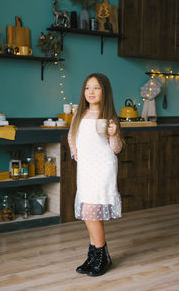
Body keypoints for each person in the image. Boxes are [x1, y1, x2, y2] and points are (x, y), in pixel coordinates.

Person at [68, 73, 123, 277]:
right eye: (87, 88)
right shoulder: (79, 115)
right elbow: (71, 136)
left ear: (105, 91)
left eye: (97, 88)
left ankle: (102, 256)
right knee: (86, 213)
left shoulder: (109, 117)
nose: (91, 92)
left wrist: (114, 133)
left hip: (103, 168)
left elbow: (115, 149)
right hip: (86, 169)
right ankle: (93, 255)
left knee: (91, 212)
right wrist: (77, 155)